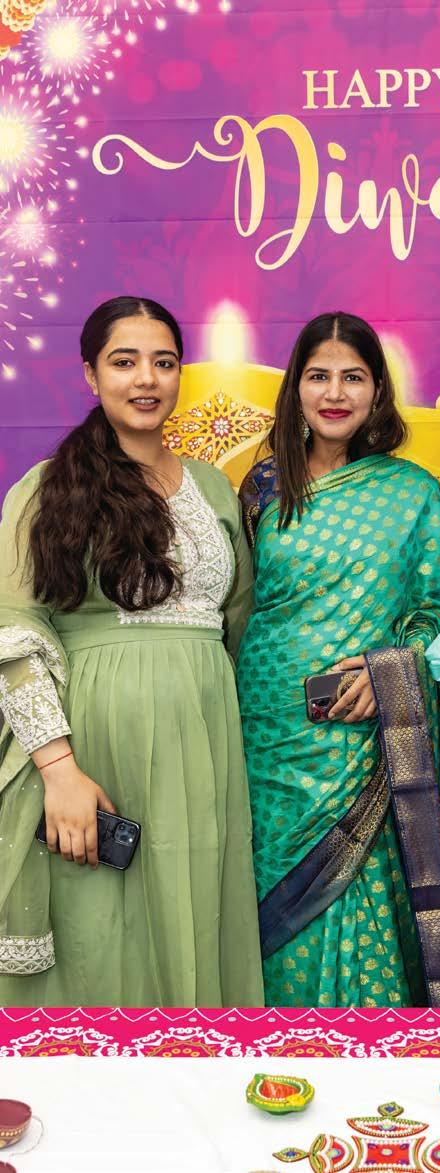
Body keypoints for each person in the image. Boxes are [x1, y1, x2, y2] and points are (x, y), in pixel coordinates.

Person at [0, 296, 263, 1007]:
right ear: (91, 374)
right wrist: (58, 771)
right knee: (102, 927)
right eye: (124, 361)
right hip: (93, 745)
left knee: (195, 912)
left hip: (206, 740)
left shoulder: (214, 487)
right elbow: (12, 632)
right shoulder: (47, 489)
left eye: (163, 362)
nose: (146, 378)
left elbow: (238, 625)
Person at [237, 312, 440, 1008]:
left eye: (353, 377)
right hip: (267, 740)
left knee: (357, 899)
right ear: (295, 388)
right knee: (268, 907)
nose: (335, 393)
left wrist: (394, 670)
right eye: (318, 376)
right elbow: (241, 605)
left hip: (364, 742)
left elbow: (432, 613)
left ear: (378, 391)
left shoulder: (414, 493)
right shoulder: (261, 488)